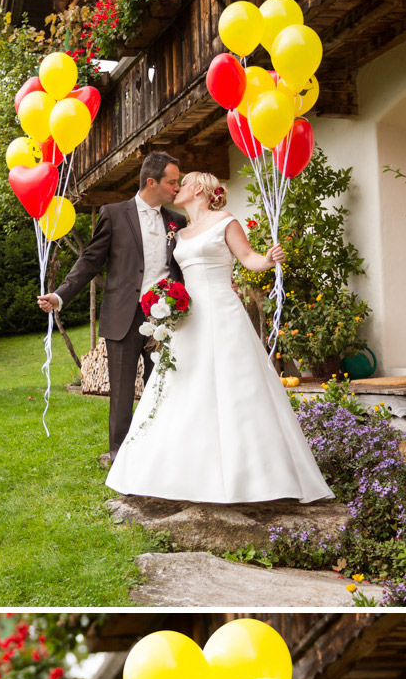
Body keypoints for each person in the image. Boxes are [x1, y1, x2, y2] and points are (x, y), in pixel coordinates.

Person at [105, 171, 334, 506]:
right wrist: (164, 300)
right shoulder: (179, 233)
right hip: (189, 319)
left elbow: (248, 258)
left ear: (198, 188)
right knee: (179, 388)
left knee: (236, 388)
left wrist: (268, 260)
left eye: (183, 183)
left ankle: (252, 478)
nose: (177, 187)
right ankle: (171, 472)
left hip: (223, 313)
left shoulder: (225, 221)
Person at [38, 151, 186, 465]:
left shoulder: (177, 220)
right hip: (124, 314)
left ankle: (157, 447)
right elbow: (90, 260)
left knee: (160, 383)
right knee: (120, 390)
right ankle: (120, 455)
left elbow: (181, 268)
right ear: (151, 182)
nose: (177, 187)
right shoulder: (114, 213)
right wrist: (60, 296)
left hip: (165, 315)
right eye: (172, 182)